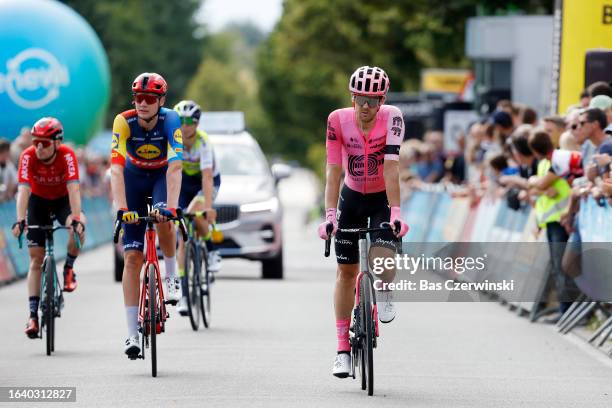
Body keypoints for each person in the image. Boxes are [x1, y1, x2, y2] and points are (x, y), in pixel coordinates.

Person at [318, 66, 409, 378]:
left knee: (384, 260)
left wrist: (396, 212)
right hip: (352, 196)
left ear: (382, 100)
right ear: (352, 96)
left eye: (372, 100)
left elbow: (392, 167)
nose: (366, 106)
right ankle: (342, 348)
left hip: (383, 195)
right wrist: (330, 216)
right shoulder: (337, 120)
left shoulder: (393, 117)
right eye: (360, 98)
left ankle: (383, 288)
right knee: (346, 273)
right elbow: (332, 171)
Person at [110, 72, 184, 358]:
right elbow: (115, 169)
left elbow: (176, 166)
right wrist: (122, 208)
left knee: (164, 218)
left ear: (161, 101)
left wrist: (173, 207)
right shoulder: (123, 121)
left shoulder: (171, 120)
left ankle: (171, 275)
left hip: (161, 176)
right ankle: (131, 334)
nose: (142, 103)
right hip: (133, 177)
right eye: (138, 98)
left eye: (149, 99)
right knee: (131, 257)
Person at [11, 117, 86, 338]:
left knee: (80, 226)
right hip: (38, 202)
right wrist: (19, 219)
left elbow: (74, 190)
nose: (39, 147)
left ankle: (69, 268)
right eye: (36, 142)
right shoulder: (27, 156)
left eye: (44, 143)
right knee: (35, 259)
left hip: (63, 200)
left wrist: (76, 219)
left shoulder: (67, 155)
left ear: (56, 142)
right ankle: (33, 315)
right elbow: (23, 190)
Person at [172, 100, 222, 316]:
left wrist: (209, 207)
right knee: (181, 235)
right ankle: (183, 295)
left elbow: (208, 177)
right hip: (183, 183)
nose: (185, 126)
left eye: (189, 121)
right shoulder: (172, 141)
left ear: (196, 123)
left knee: (196, 212)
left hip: (205, 182)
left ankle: (211, 251)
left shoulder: (203, 143)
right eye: (180, 121)